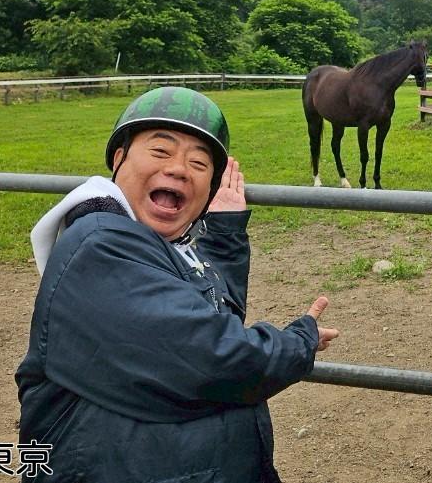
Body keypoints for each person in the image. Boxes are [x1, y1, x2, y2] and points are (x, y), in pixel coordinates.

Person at [18, 86, 339, 483]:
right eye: (160, 151)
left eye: (200, 164)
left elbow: (206, 315)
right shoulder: (100, 249)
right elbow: (214, 357)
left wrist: (223, 235)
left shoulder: (159, 248)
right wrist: (299, 341)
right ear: (119, 160)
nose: (179, 169)